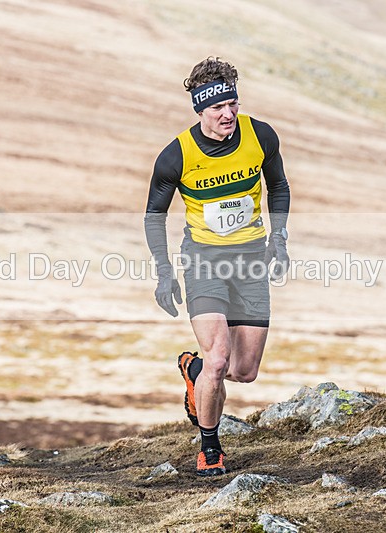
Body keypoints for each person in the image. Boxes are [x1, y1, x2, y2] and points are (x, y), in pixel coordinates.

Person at [144, 57, 291, 476]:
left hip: (251, 262)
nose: (228, 113)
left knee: (244, 371)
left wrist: (278, 240)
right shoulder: (176, 156)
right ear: (199, 110)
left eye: (233, 103)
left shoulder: (260, 136)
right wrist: (164, 272)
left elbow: (278, 185)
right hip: (203, 262)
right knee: (219, 360)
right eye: (217, 108)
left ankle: (192, 369)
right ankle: (210, 449)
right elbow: (154, 216)